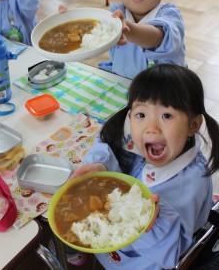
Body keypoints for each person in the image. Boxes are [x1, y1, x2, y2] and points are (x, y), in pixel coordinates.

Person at [70, 64, 219, 270]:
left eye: (166, 116)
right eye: (141, 115)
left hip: (144, 261)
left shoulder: (191, 183)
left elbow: (171, 251)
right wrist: (101, 165)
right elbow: (114, 145)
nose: (151, 127)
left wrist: (152, 220)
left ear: (192, 125)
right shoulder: (142, 143)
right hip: (114, 245)